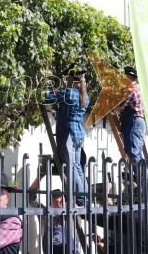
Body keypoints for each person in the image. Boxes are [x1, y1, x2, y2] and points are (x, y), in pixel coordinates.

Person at [46, 63, 89, 206]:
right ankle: (85, 197)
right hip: (79, 133)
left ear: (71, 77)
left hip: (68, 133)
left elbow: (48, 98)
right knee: (77, 166)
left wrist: (49, 85)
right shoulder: (84, 95)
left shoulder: (68, 93)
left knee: (70, 167)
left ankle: (80, 200)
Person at [29, 177, 80, 253]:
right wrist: (40, 176)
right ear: (51, 200)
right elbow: (31, 196)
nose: (61, 200)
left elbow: (83, 209)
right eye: (58, 197)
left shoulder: (71, 213)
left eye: (63, 198)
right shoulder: (44, 213)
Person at [116, 66, 146, 162]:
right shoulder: (138, 88)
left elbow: (118, 109)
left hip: (133, 121)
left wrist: (108, 105)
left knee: (133, 152)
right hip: (138, 121)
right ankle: (142, 176)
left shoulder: (130, 90)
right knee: (137, 153)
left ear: (129, 77)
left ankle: (139, 177)